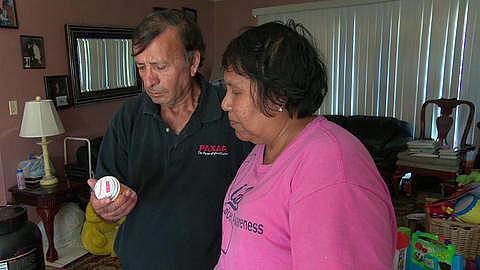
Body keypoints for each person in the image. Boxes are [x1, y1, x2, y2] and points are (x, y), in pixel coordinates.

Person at [216, 21, 397, 269]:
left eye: (236, 92)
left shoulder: (329, 167)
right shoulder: (264, 147)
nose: (225, 103)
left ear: (278, 94)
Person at [88, 9, 251, 269]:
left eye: (160, 66)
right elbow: (107, 188)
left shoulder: (229, 112)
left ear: (193, 62)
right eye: (141, 67)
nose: (149, 80)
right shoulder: (128, 116)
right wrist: (104, 207)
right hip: (138, 262)